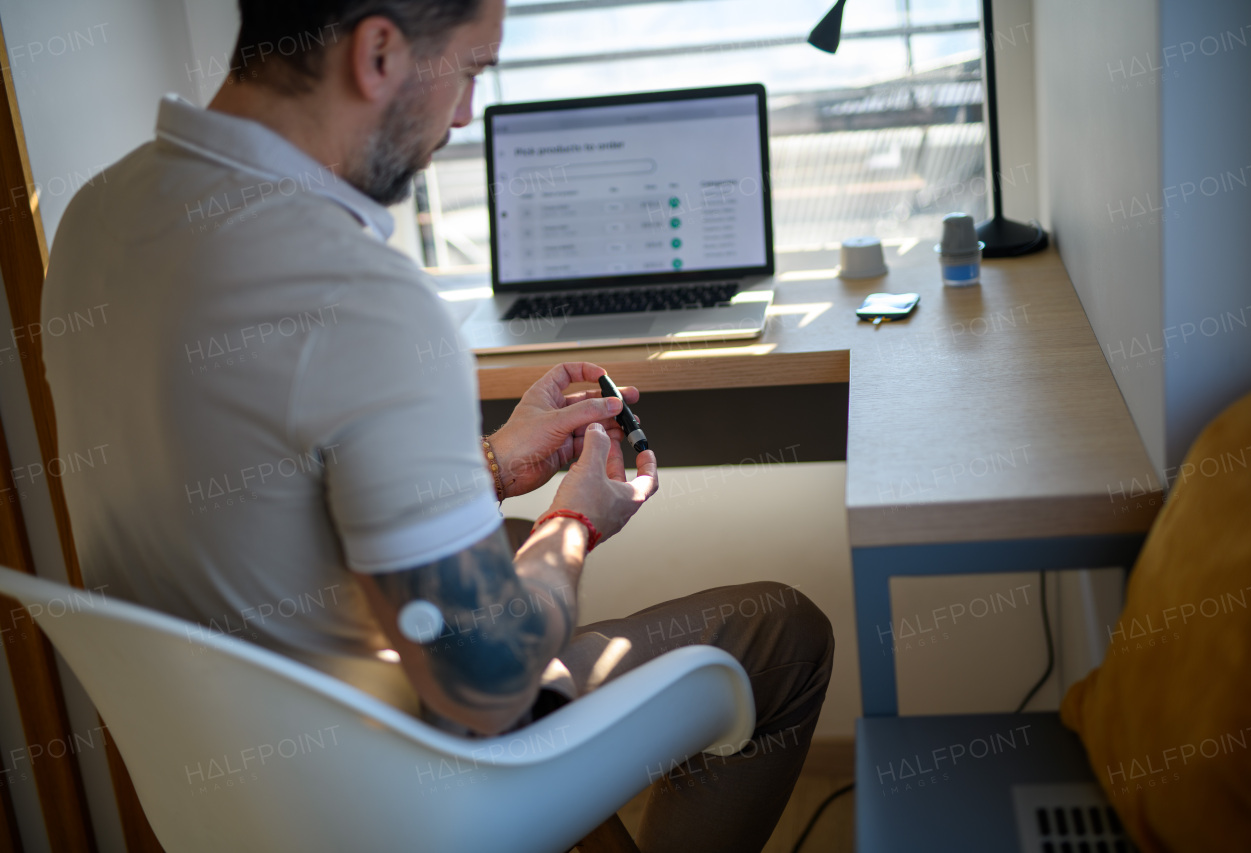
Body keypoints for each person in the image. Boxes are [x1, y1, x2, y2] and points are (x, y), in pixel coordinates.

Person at [40, 0, 833, 849]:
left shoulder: (94, 215)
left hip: (224, 786)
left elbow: (258, 499)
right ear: (379, 51)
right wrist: (575, 523)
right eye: (471, 70)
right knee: (784, 630)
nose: (463, 115)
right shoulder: (364, 296)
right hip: (402, 793)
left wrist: (486, 467)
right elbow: (486, 682)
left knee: (503, 529)